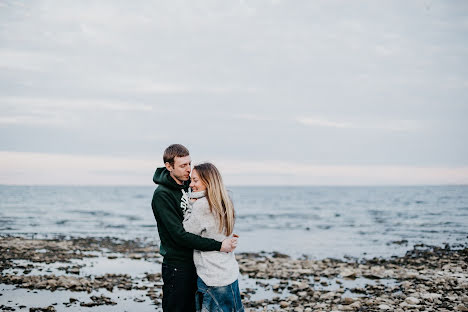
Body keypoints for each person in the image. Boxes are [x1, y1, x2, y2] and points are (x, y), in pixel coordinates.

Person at [151, 144, 238, 312]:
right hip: (178, 265)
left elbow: (207, 214)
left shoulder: (188, 186)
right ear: (169, 166)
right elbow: (179, 235)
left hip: (197, 263)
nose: (188, 169)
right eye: (183, 165)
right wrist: (219, 245)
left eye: (189, 164)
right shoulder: (162, 195)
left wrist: (223, 233)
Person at [183, 162, 244, 312]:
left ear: (208, 181)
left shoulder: (202, 205)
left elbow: (186, 233)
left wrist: (189, 206)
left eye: (195, 180)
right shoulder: (224, 201)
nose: (191, 185)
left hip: (212, 277)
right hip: (228, 272)